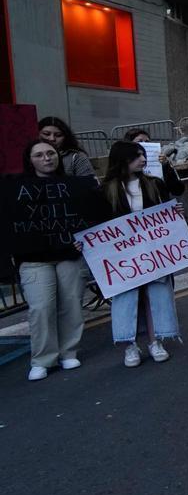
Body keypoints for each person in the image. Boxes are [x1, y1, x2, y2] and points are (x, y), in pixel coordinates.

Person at [98, 140, 186, 367]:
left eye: (143, 155)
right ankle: (130, 345)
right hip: (123, 257)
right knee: (126, 299)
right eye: (136, 156)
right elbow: (97, 225)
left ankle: (154, 340)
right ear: (122, 161)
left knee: (154, 295)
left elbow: (167, 207)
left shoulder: (154, 184)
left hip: (151, 252)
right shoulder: (106, 190)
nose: (143, 160)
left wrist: (174, 211)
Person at [16, 140, 88, 381]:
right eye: (39, 155)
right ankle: (42, 358)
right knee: (41, 308)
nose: (46, 158)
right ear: (30, 160)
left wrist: (84, 237)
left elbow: (89, 216)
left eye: (51, 153)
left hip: (69, 255)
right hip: (34, 259)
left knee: (71, 304)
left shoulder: (73, 186)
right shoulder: (16, 189)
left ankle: (69, 351)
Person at [38, 116, 95, 181]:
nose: (52, 139)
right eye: (46, 134)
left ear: (66, 138)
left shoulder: (76, 157)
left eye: (58, 135)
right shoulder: (28, 156)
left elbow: (90, 185)